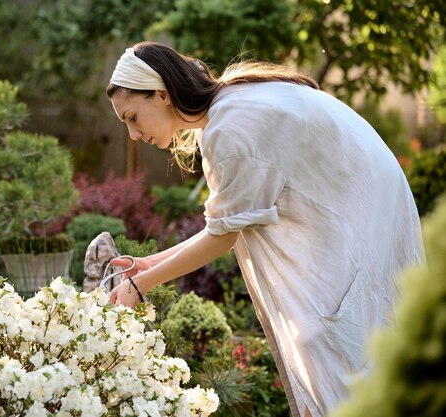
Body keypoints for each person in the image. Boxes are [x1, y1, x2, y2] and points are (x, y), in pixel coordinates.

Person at [106, 41, 425, 417]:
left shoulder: (230, 127)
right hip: (361, 203)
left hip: (361, 210)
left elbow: (223, 236)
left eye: (132, 117)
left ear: (161, 95)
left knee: (326, 339)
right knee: (326, 340)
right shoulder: (228, 108)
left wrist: (141, 284)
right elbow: (229, 224)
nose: (133, 135)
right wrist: (149, 264)